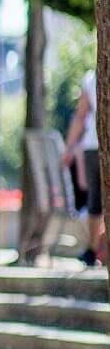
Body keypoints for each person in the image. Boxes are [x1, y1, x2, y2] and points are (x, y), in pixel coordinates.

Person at [64, 66, 104, 266]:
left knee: (95, 200)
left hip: (93, 144)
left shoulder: (92, 77)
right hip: (94, 145)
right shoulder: (91, 77)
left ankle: (92, 249)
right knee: (96, 200)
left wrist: (69, 148)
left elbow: (81, 115)